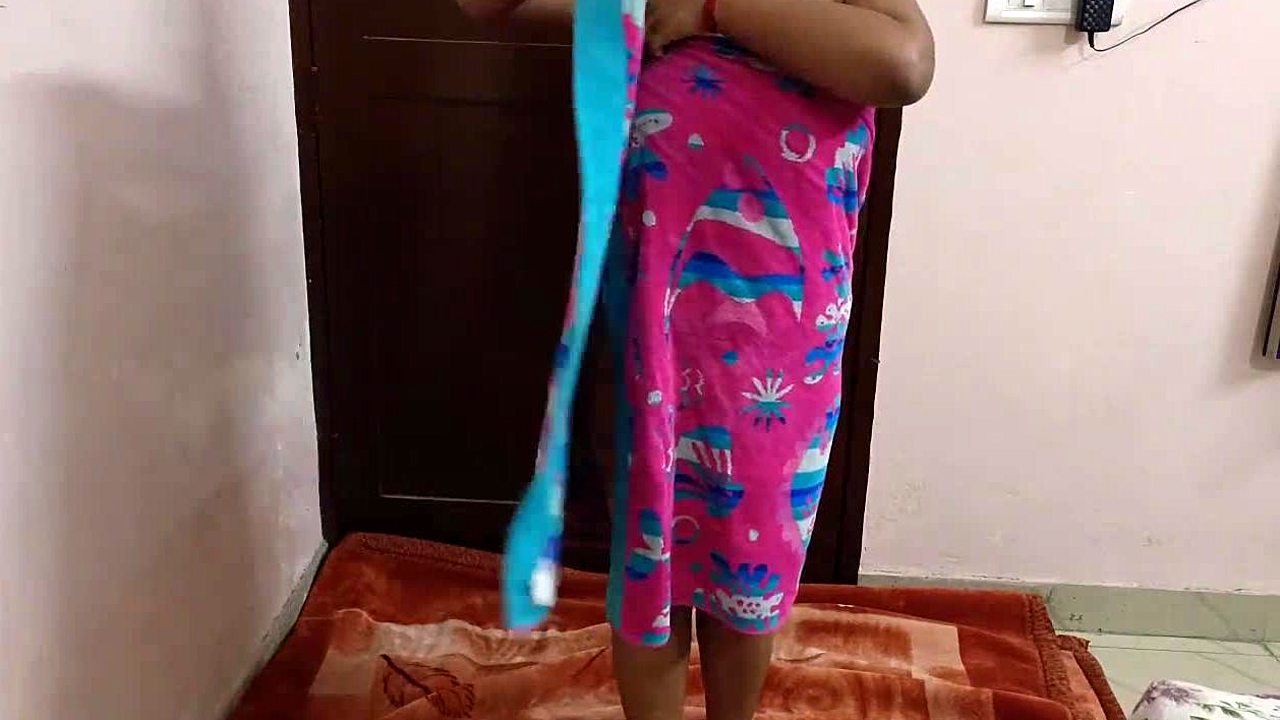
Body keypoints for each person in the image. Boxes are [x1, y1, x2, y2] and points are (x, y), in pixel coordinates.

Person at [457, 0, 934, 717]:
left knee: (750, 568)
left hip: (778, 350)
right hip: (647, 324)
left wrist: (708, 9)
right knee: (647, 568)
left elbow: (903, 64)